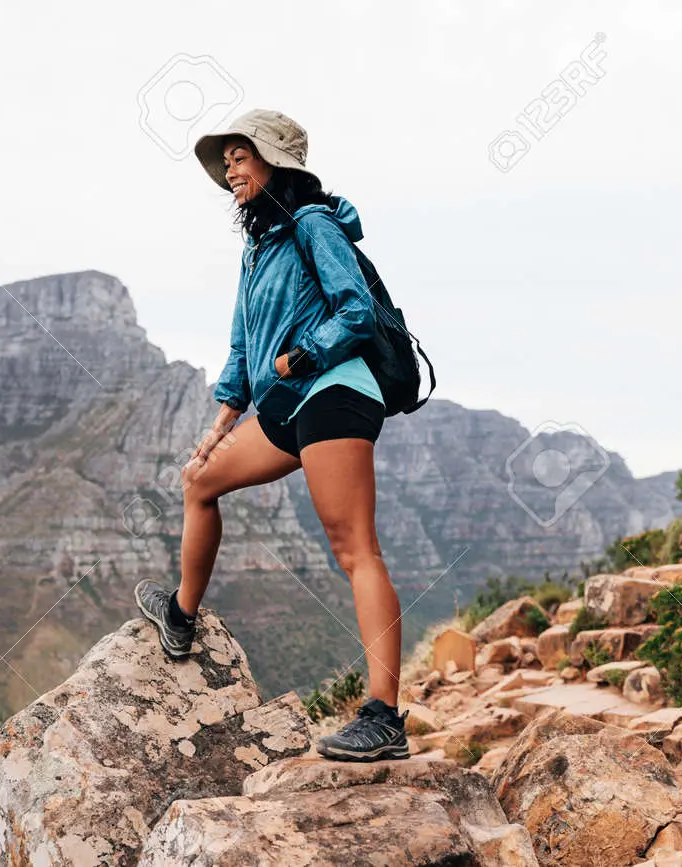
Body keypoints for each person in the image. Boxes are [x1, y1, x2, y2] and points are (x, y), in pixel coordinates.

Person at [134, 109, 410, 762]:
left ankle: (384, 716)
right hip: (288, 405)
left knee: (354, 547)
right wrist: (219, 425)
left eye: (240, 156)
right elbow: (239, 346)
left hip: (336, 389)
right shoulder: (259, 247)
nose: (230, 170)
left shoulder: (314, 224)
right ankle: (179, 614)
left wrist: (303, 356)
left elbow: (355, 309)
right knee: (200, 481)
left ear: (273, 160)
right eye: (225, 160)